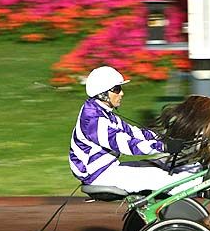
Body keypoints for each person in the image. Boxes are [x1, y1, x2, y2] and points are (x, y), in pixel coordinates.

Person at [69, 66, 202, 195]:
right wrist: (164, 146)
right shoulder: (93, 119)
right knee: (160, 178)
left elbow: (132, 132)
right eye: (117, 89)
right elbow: (126, 144)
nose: (122, 93)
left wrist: (162, 138)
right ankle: (198, 184)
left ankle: (196, 173)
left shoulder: (102, 112)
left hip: (108, 168)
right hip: (98, 175)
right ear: (103, 94)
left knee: (160, 164)